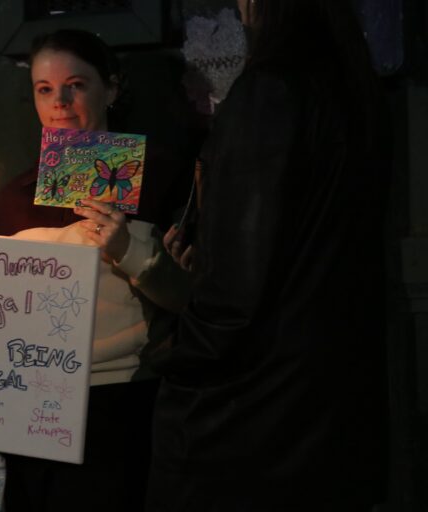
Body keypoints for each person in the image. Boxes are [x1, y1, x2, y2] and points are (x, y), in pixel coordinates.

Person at [145, 1, 392, 511]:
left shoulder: (271, 93)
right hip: (334, 413)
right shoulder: (354, 90)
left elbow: (235, 300)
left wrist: (172, 349)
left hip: (255, 427)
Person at [0, 29, 193, 511]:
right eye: (44, 89)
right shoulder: (12, 200)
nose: (60, 101)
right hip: (29, 408)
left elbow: (192, 300)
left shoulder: (163, 179)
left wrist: (126, 248)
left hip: (122, 408)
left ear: (111, 89)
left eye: (75, 84)